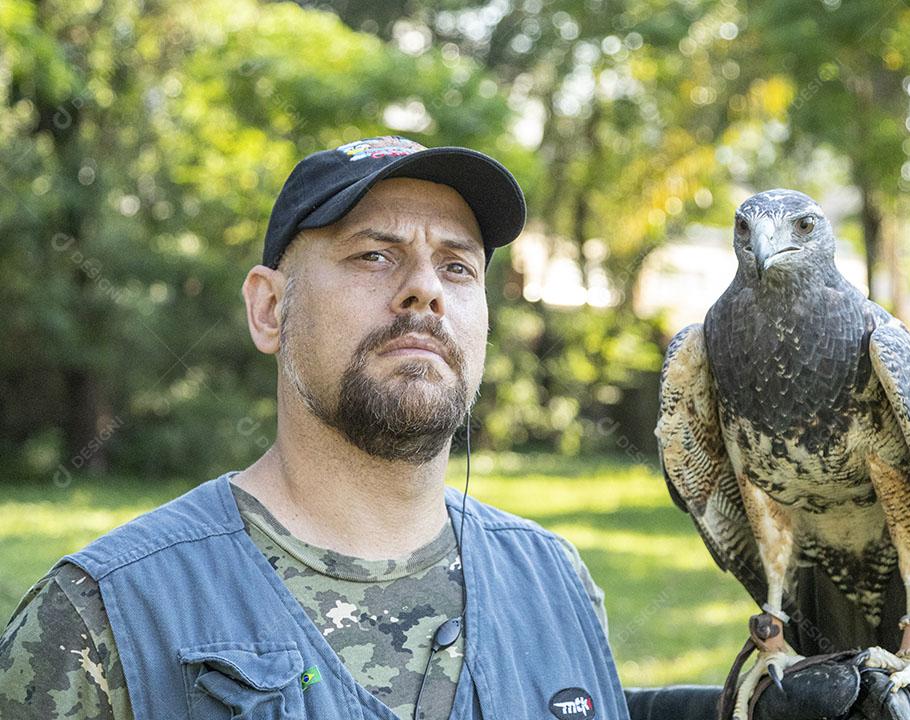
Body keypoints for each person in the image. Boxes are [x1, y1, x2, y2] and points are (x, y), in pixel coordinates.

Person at [0, 136, 723, 720]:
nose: (425, 290)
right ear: (270, 309)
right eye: (374, 254)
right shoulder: (104, 618)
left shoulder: (557, 585)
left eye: (458, 267)